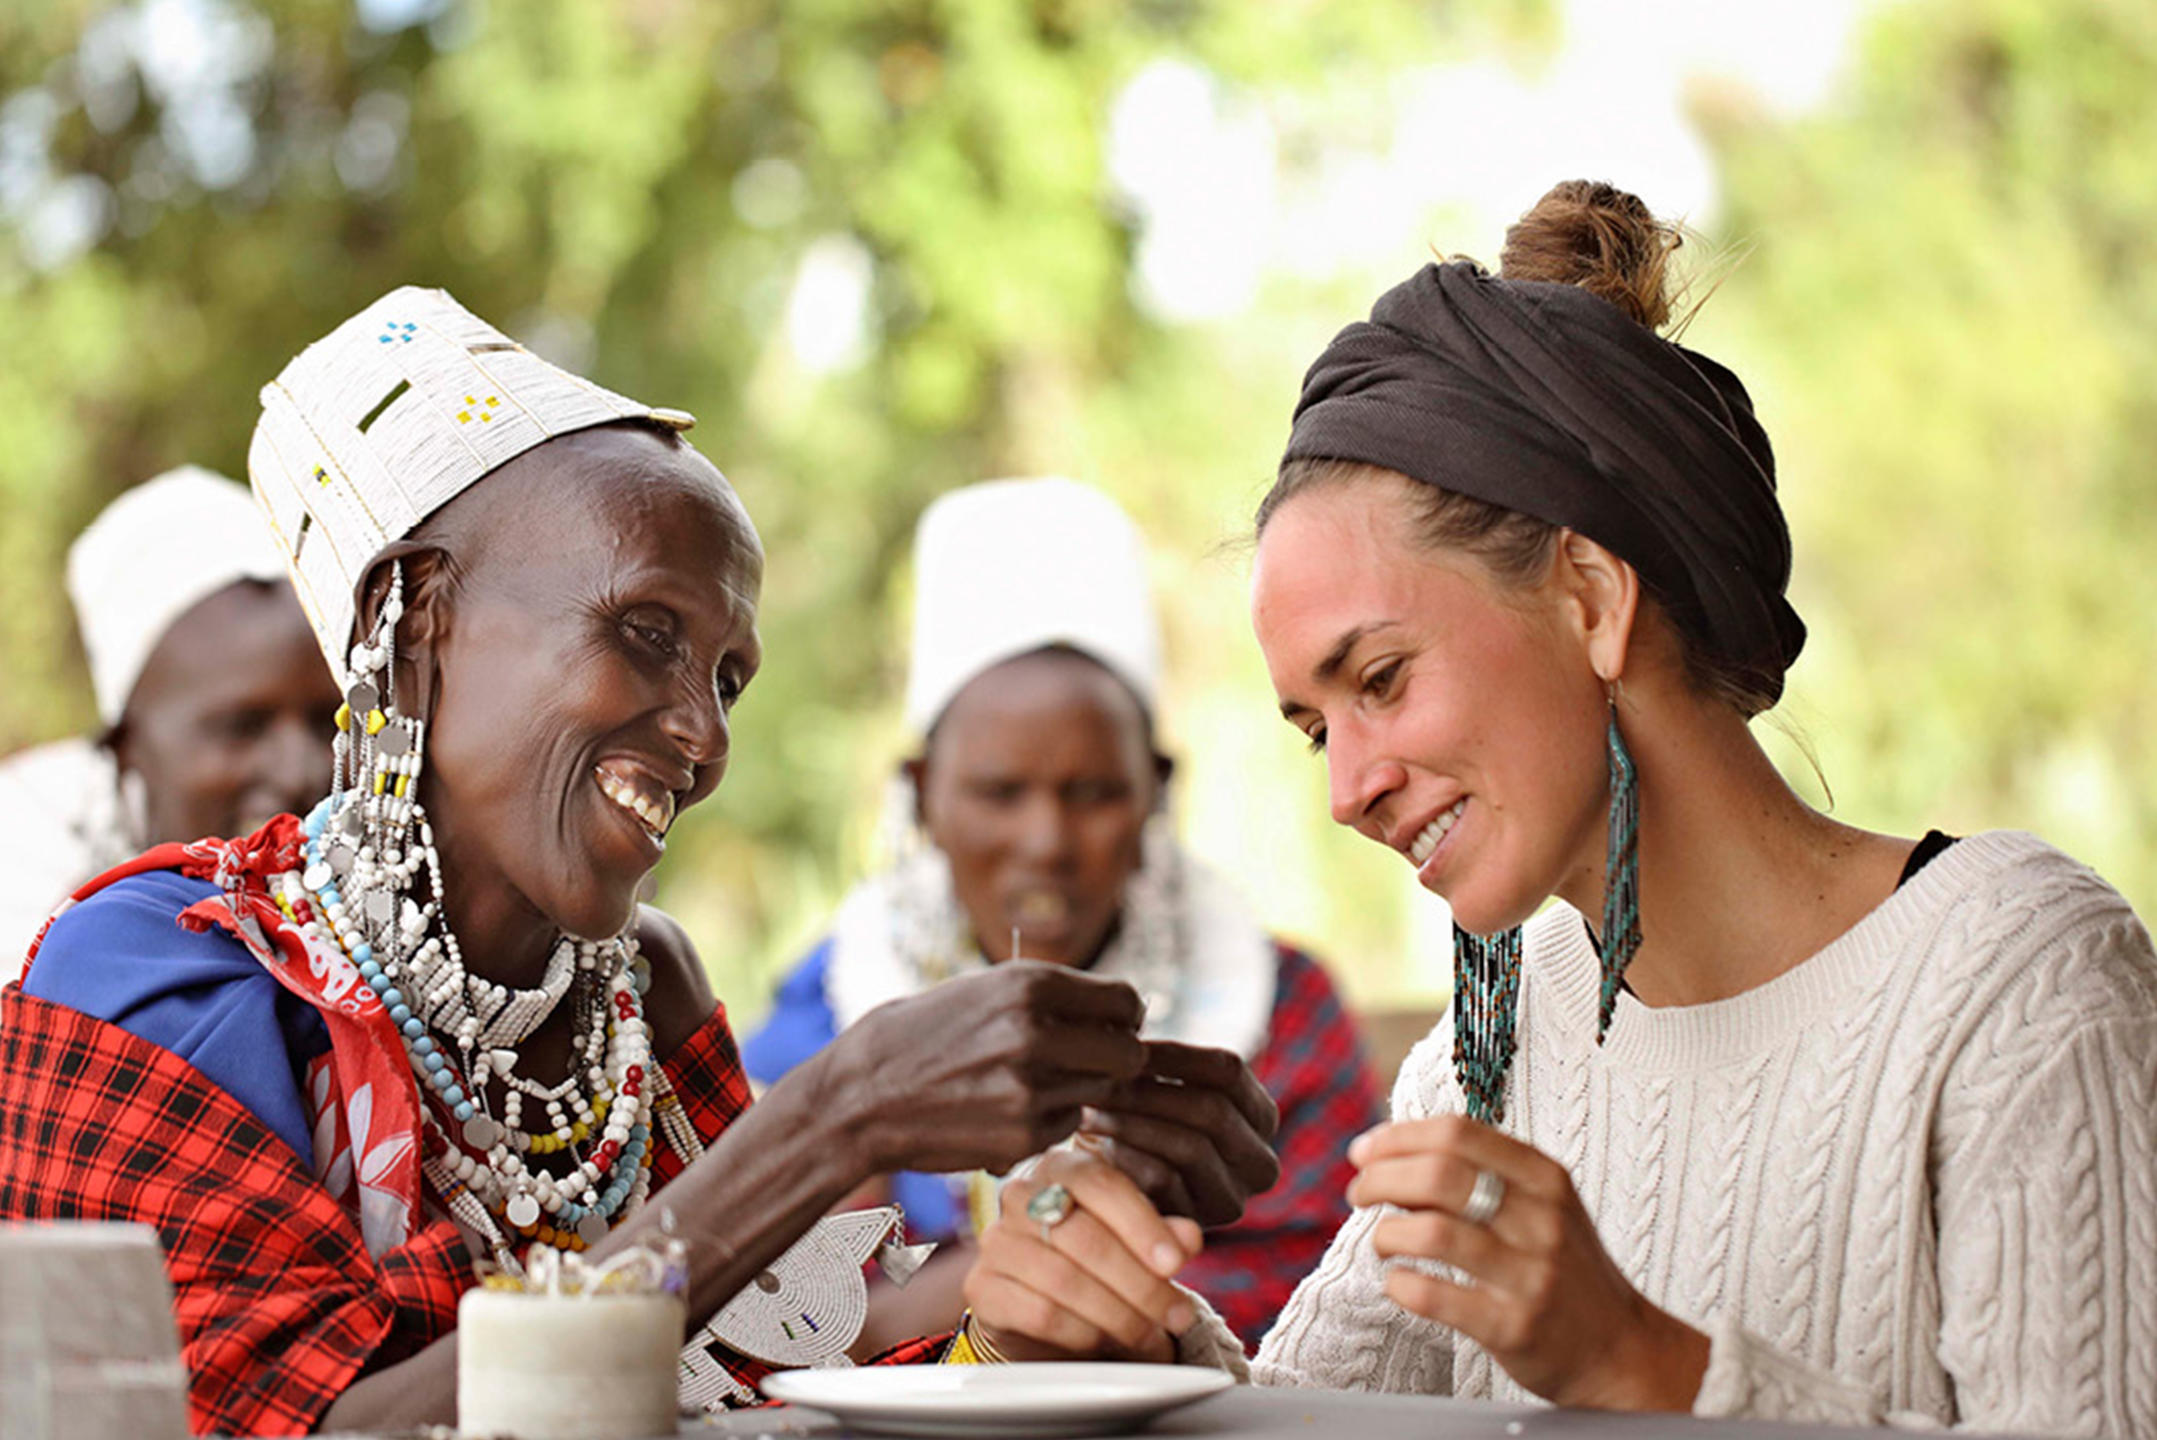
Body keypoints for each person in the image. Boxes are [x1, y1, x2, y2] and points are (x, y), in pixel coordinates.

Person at [951, 181, 2157, 1437]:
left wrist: (1639, 1360)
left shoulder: (2017, 985)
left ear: (1590, 598)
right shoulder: (1495, 1041)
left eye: (1381, 680)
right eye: (1316, 729)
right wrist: (1118, 1340)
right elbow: (1312, 1419)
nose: (1348, 792)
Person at [0, 288, 1271, 1436]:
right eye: (646, 632)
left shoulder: (639, 997)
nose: (706, 738)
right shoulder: (156, 975)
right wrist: (833, 1120)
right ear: (417, 619)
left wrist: (1026, 1328)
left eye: (728, 677)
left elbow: (774, 1389)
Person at [742, 477, 1381, 1352]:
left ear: (1155, 792)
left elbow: (1333, 1309)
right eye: (999, 792)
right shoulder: (833, 1012)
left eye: (1093, 793)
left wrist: (988, 1284)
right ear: (922, 795)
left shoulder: (1279, 1011)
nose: (1045, 842)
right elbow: (786, 1322)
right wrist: (1028, 1272)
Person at [0, 467, 339, 976]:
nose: (300, 771)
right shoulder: (23, 872)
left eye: (328, 721)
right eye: (243, 727)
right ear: (126, 747)